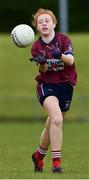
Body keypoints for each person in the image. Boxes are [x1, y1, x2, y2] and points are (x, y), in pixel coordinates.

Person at [30, 8, 77, 173]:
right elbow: (42, 71)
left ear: (54, 23)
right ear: (37, 27)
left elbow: (70, 60)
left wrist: (60, 55)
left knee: (52, 124)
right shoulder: (36, 46)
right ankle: (56, 163)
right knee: (56, 119)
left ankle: (39, 155)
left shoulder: (63, 39)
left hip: (65, 85)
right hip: (46, 85)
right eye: (40, 22)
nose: (44, 24)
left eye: (47, 21)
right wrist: (42, 62)